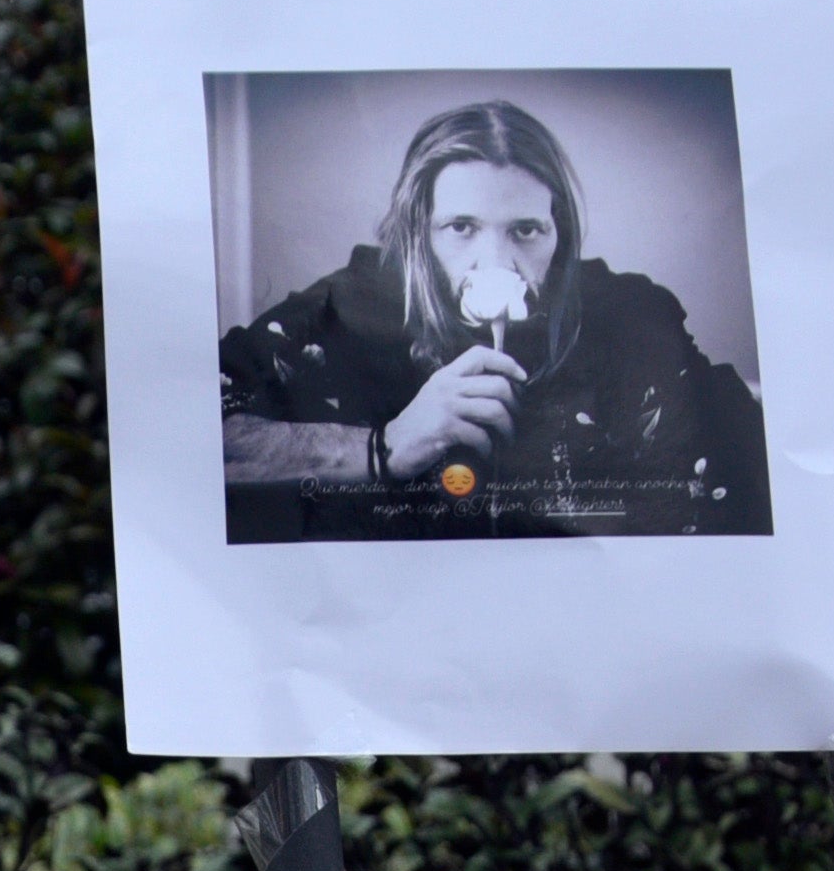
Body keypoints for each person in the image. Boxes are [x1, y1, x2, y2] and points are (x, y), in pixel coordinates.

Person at [217, 97, 773, 544]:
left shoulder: (628, 312)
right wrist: (381, 449)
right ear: (419, 234)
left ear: (560, 234)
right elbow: (193, 435)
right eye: (461, 227)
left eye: (526, 230)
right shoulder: (342, 310)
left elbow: (750, 460)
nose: (499, 262)